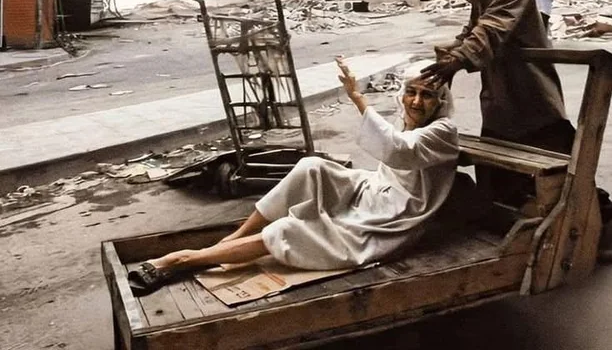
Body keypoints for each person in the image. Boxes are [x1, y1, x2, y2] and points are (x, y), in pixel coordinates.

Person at [128, 59, 459, 296]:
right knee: (311, 166)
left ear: (441, 101)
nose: (416, 101)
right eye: (411, 92)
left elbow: (397, 150)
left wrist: (358, 98)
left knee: (289, 230)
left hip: (394, 216)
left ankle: (182, 259)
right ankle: (234, 238)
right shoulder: (408, 119)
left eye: (427, 95)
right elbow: (391, 151)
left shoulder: (443, 130)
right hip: (375, 188)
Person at [420, 0, 612, 263]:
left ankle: (607, 224)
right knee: (496, 181)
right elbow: (471, 32)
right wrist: (446, 58)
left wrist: (458, 60)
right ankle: (526, 237)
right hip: (500, 104)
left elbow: (489, 31)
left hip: (534, 102)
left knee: (569, 177)